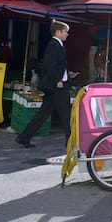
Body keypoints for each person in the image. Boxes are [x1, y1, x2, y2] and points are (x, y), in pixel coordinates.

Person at [15, 20, 77, 148]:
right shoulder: (54, 45)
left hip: (56, 85)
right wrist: (57, 80)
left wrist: (67, 73)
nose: (67, 34)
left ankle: (24, 137)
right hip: (57, 86)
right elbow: (49, 65)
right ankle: (70, 142)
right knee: (66, 114)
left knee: (44, 113)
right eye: (66, 32)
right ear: (58, 32)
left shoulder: (57, 44)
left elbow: (57, 65)